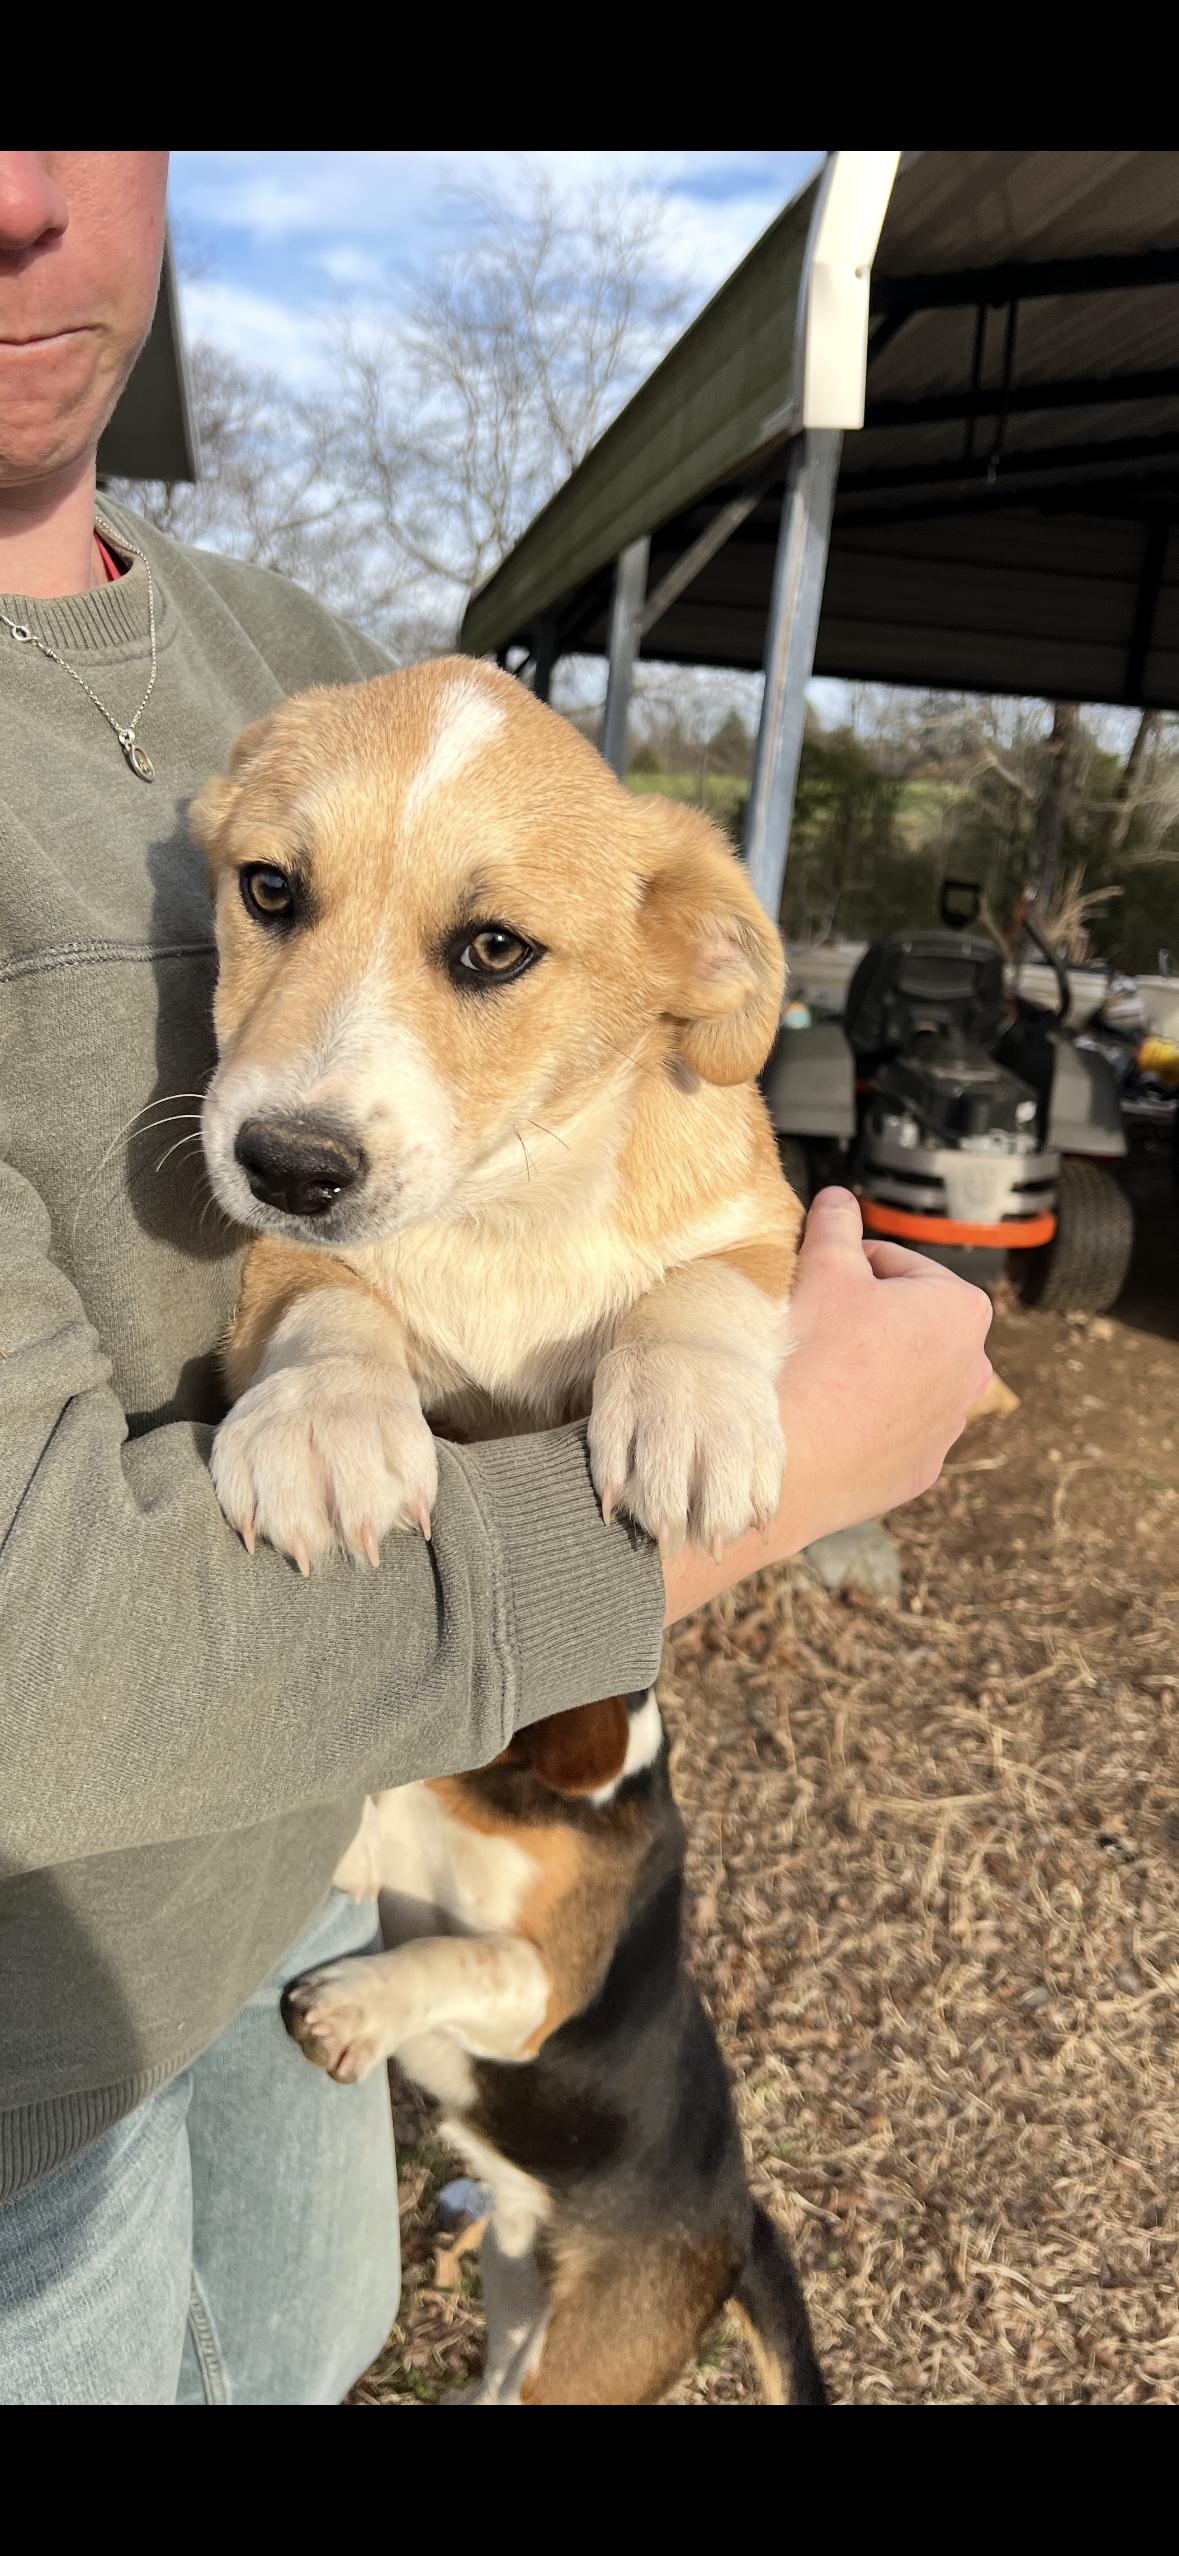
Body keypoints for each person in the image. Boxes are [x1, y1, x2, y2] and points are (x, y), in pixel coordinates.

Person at [0, 151, 993, 2407]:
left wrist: (708, 1316)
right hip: (25, 2092)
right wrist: (732, 1483)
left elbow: (713, 1181)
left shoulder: (280, 666)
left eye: (466, 953)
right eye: (271, 907)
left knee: (317, 2337)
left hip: (298, 1904)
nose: (305, 1089)